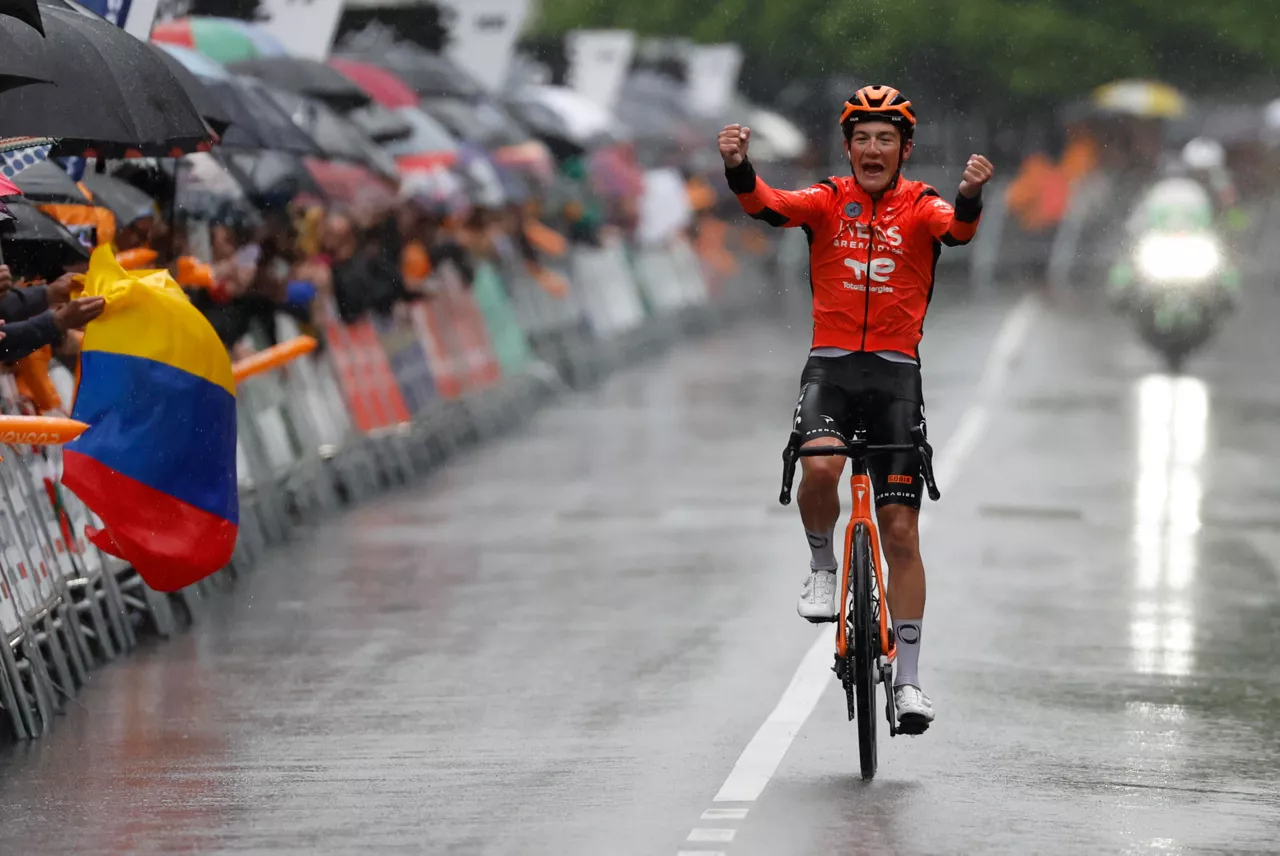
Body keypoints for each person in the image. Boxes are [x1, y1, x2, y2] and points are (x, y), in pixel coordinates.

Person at [718, 85, 993, 734]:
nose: (873, 150)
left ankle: (909, 684)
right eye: (862, 139)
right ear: (848, 148)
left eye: (885, 140)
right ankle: (821, 568)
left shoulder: (921, 204)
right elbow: (767, 206)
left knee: (900, 532)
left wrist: (971, 193)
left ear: (904, 149)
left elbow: (957, 232)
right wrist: (738, 168)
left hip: (896, 378)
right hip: (832, 372)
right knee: (819, 468)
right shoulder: (825, 199)